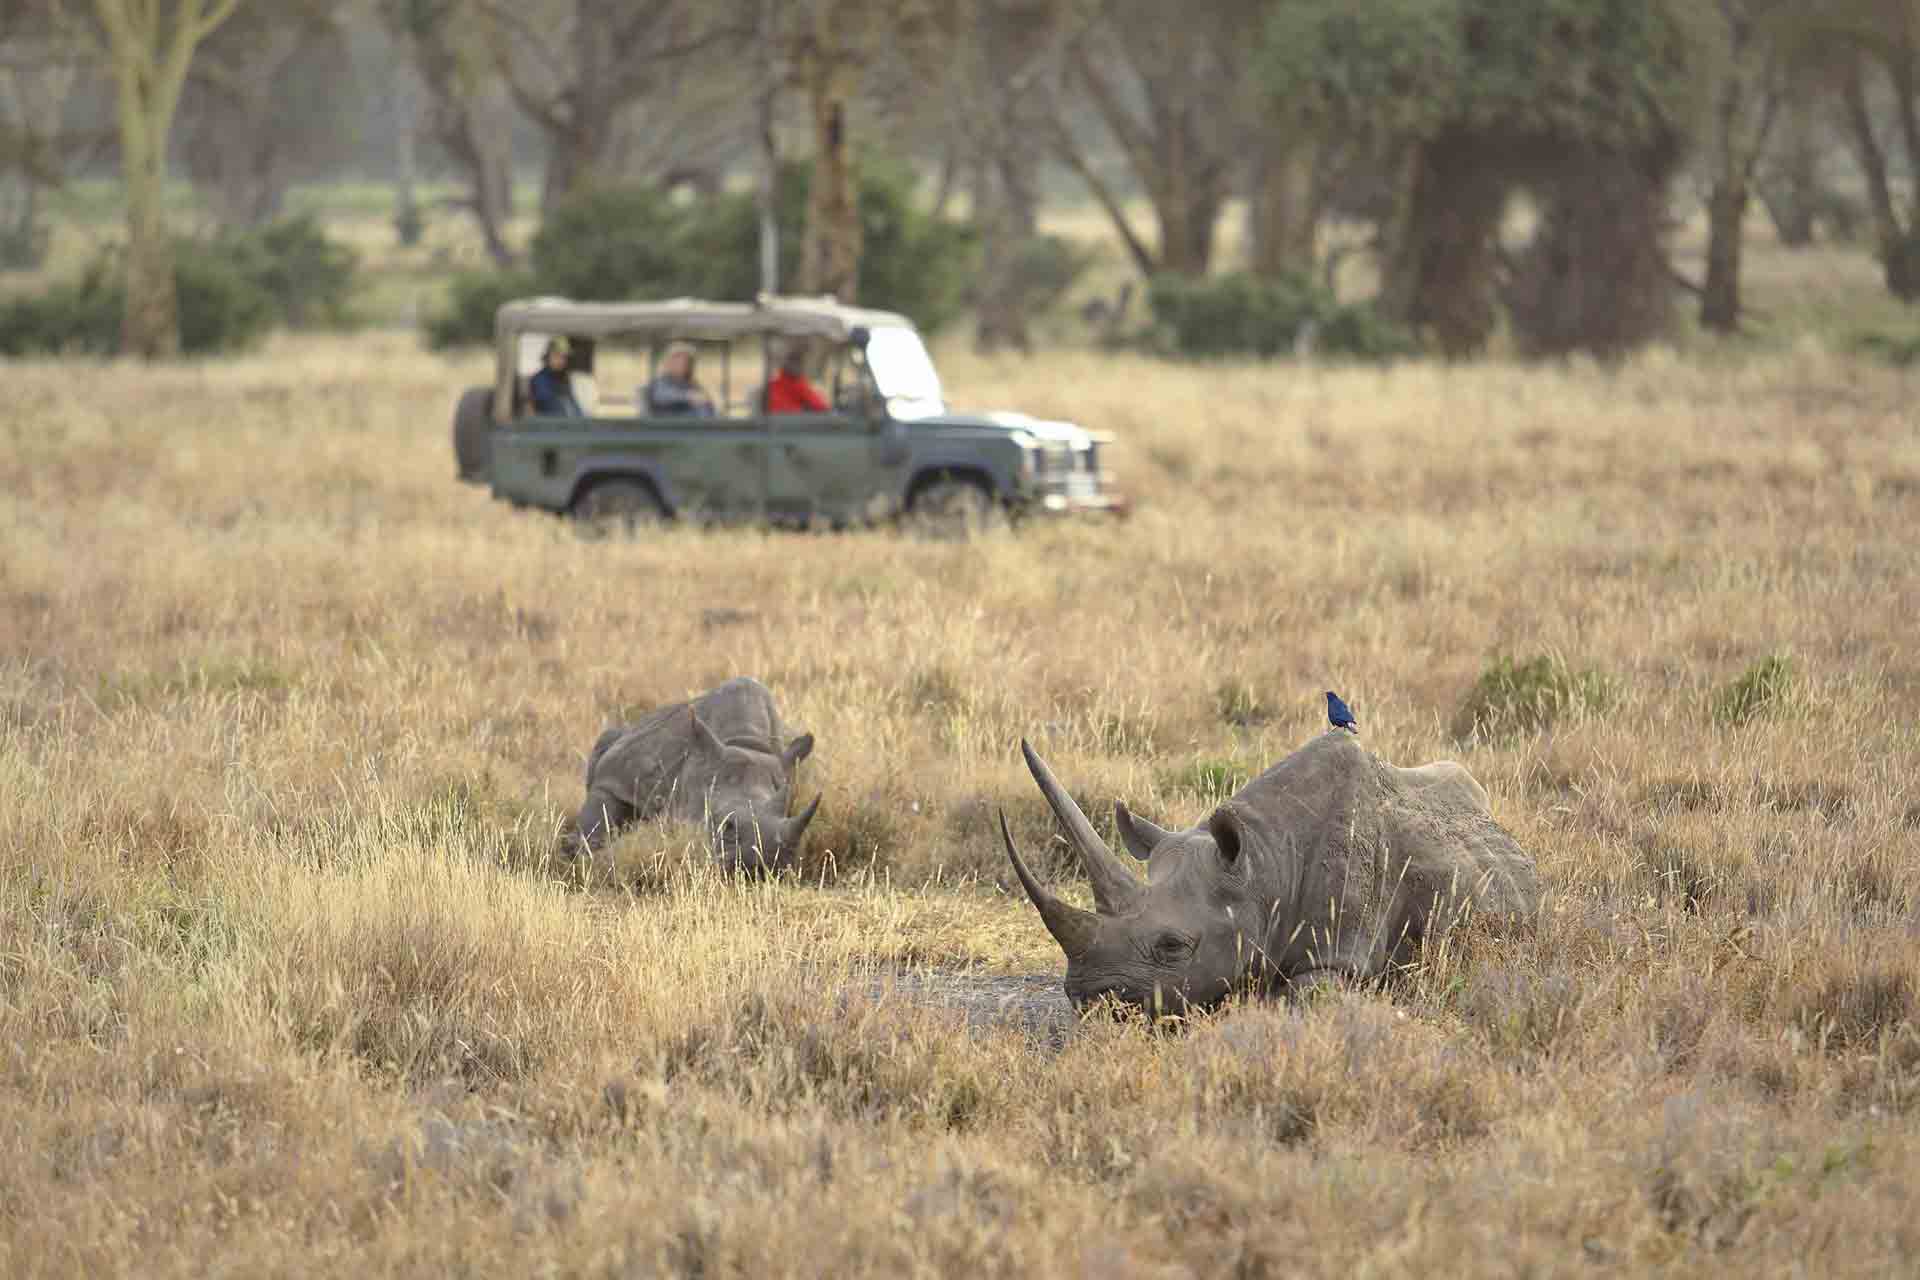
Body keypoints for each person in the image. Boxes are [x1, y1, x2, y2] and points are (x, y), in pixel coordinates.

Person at [642, 341, 716, 417]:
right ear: (668, 363)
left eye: (687, 361)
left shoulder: (694, 386)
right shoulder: (658, 384)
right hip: (663, 426)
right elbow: (660, 396)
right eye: (678, 360)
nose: (683, 365)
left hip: (690, 426)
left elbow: (706, 410)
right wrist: (687, 397)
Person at [765, 341, 828, 414]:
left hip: (780, 420)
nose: (800, 367)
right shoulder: (796, 383)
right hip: (792, 422)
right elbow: (820, 406)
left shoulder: (772, 385)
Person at [528, 337, 584, 417]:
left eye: (564, 357)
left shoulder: (563, 379)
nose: (561, 361)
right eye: (556, 356)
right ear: (547, 357)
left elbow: (574, 406)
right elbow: (551, 405)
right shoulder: (539, 380)